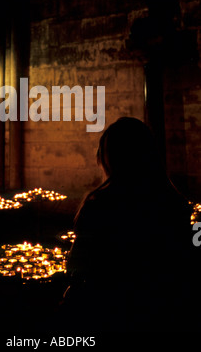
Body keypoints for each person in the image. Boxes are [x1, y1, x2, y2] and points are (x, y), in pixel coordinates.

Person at [61, 117, 197, 332]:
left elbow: (78, 265)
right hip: (166, 313)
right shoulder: (173, 203)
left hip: (110, 314)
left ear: (109, 158)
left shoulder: (101, 204)